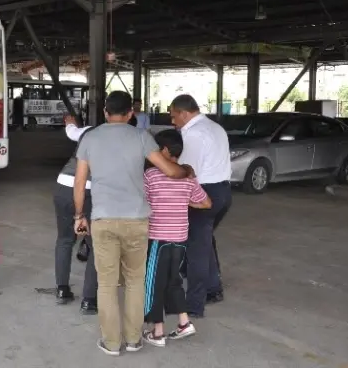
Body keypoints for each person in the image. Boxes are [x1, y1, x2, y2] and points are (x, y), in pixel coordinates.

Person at [73, 91, 195, 356]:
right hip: (136, 220)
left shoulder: (90, 138)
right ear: (131, 114)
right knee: (134, 281)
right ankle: (134, 339)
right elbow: (170, 171)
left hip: (103, 219)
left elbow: (80, 182)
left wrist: (79, 215)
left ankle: (112, 343)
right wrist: (187, 171)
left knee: (106, 284)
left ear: (105, 112)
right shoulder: (141, 137)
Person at [142, 129, 212, 347]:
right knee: (173, 281)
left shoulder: (151, 176)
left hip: (158, 240)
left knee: (153, 283)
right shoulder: (188, 177)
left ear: (163, 150)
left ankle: (158, 332)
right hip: (179, 239)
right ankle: (184, 323)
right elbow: (207, 203)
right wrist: (188, 203)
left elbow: (141, 203)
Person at [169, 94, 232, 318]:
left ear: (184, 113)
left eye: (174, 116)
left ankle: (194, 304)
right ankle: (213, 289)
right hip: (224, 192)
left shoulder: (194, 133)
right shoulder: (215, 127)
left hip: (204, 194)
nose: (173, 121)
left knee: (196, 249)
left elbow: (188, 170)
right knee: (205, 242)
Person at [53, 115, 98, 314]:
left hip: (63, 184)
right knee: (95, 244)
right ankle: (88, 300)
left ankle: (62, 289)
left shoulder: (86, 131)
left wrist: (70, 121)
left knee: (64, 239)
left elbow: (70, 131)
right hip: (88, 190)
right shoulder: (112, 138)